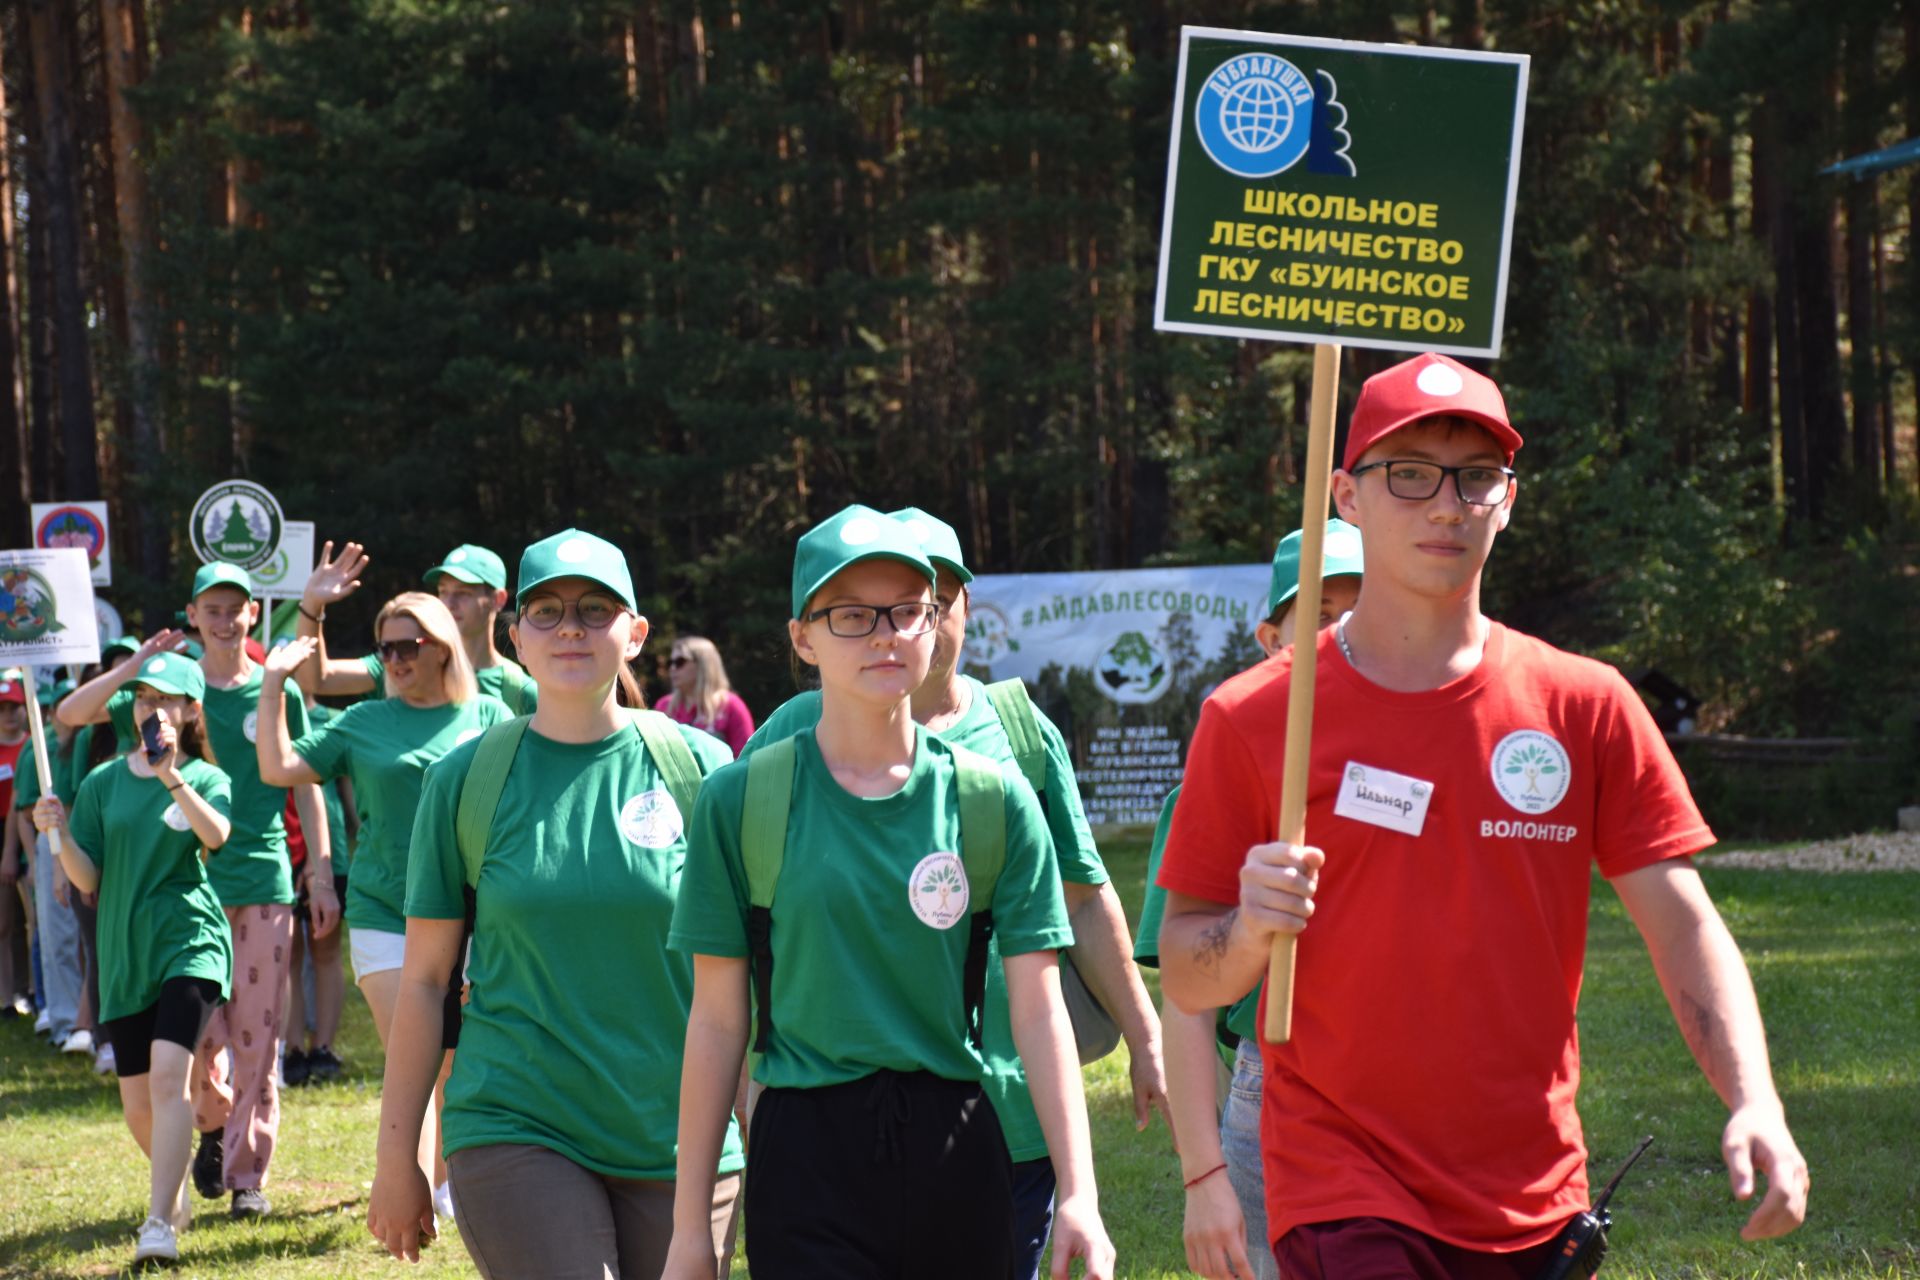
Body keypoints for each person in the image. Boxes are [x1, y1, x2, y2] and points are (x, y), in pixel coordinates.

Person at [1156, 352, 1810, 1277]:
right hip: (1341, 1185)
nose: (1446, 504)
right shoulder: (1259, 715)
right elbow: (1185, 974)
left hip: (1533, 1192)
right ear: (1346, 494)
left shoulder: (1585, 704)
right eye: (1410, 475)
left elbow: (1683, 923)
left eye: (1475, 478)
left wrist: (1754, 1099)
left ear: (1508, 498)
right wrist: (1249, 932)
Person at [664, 504, 1115, 1280]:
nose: (884, 634)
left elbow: (1040, 1008)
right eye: (850, 614)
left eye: (907, 610)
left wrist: (1079, 1190)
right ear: (803, 636)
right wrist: (688, 1231)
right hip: (803, 1151)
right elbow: (715, 1020)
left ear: (936, 623)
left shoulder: (991, 799)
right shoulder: (741, 801)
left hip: (956, 1142)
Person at [367, 530, 743, 1278]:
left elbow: (741, 986)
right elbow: (424, 981)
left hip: (680, 1137)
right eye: (547, 610)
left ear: (634, 634)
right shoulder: (465, 779)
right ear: (515, 636)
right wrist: (399, 1157)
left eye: (595, 609)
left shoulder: (704, 771)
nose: (571, 627)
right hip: (516, 1118)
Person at [58, 564, 338, 1219]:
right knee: (188, 1051)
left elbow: (307, 779)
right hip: (179, 898)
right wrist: (138, 668)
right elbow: (72, 715)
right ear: (192, 612)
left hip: (261, 879)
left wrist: (320, 869)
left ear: (251, 616)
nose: (223, 619)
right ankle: (210, 1128)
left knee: (257, 1040)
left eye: (235, 608)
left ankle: (247, 1177)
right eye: (211, 607)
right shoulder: (166, 683)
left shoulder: (275, 688)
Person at [1133, 519, 1362, 1280]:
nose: (1342, 637)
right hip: (1272, 1097)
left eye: (1364, 613)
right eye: (1321, 617)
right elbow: (1187, 1002)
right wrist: (1203, 1176)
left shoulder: (1415, 771)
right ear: (1270, 637)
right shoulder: (1214, 782)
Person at [259, 594, 511, 1214]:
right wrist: (272, 684)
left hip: (477, 911)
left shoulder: (491, 714)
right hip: (384, 910)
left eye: (408, 647)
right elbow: (279, 767)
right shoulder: (363, 722)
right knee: (415, 1049)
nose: (394, 661)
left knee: (462, 1055)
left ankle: (454, 1182)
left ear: (443, 647)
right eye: (385, 649)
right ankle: (414, 1182)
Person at [30, 650, 234, 1267]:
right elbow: (87, 877)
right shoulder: (100, 782)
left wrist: (170, 774)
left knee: (170, 1077)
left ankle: (158, 1227)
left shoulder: (203, 777)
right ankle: (174, 1190)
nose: (152, 709)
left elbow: (216, 836)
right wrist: (56, 836)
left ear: (190, 710)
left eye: (165, 699)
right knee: (139, 1105)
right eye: (143, 699)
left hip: (189, 943)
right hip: (123, 951)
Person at [290, 541, 537, 713]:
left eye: (463, 594)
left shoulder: (519, 690)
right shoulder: (406, 659)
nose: (448, 604)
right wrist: (312, 605)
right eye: (443, 592)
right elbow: (317, 681)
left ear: (498, 599)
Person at [656, 636, 755, 756]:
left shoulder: (731, 706)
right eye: (670, 663)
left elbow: (745, 759)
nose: (672, 668)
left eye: (680, 662)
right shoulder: (664, 706)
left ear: (703, 665)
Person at [0, 673, 29, 1016]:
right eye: (2, 708)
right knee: (5, 922)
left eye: (15, 707)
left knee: (33, 921)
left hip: (31, 830)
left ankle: (30, 990)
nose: (9, 714)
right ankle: (7, 996)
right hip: (4, 837)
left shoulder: (32, 746)